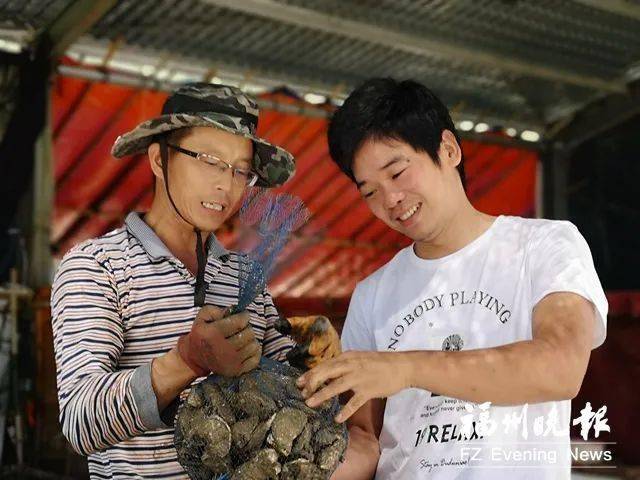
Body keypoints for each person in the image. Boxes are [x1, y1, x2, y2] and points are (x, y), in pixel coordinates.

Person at [297, 78, 608, 479]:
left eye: (397, 173)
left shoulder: (544, 246)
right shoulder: (372, 294)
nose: (390, 200)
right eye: (369, 191)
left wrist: (405, 369)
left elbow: (560, 367)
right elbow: (366, 443)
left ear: (448, 149)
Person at [51, 83, 338, 478]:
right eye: (209, 160)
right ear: (158, 158)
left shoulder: (243, 275)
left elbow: (288, 389)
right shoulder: (98, 267)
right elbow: (80, 424)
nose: (227, 185)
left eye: (241, 170)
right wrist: (186, 360)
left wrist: (313, 356)